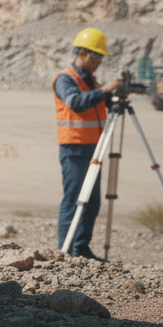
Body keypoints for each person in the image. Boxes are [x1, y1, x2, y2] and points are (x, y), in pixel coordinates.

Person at [54, 27, 123, 260]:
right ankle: (66, 251)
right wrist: (105, 90)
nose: (99, 63)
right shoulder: (66, 79)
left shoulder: (91, 81)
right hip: (73, 149)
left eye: (101, 58)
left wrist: (114, 99)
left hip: (94, 149)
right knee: (74, 201)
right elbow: (76, 103)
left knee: (92, 204)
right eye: (96, 57)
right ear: (82, 53)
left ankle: (81, 249)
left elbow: (97, 107)